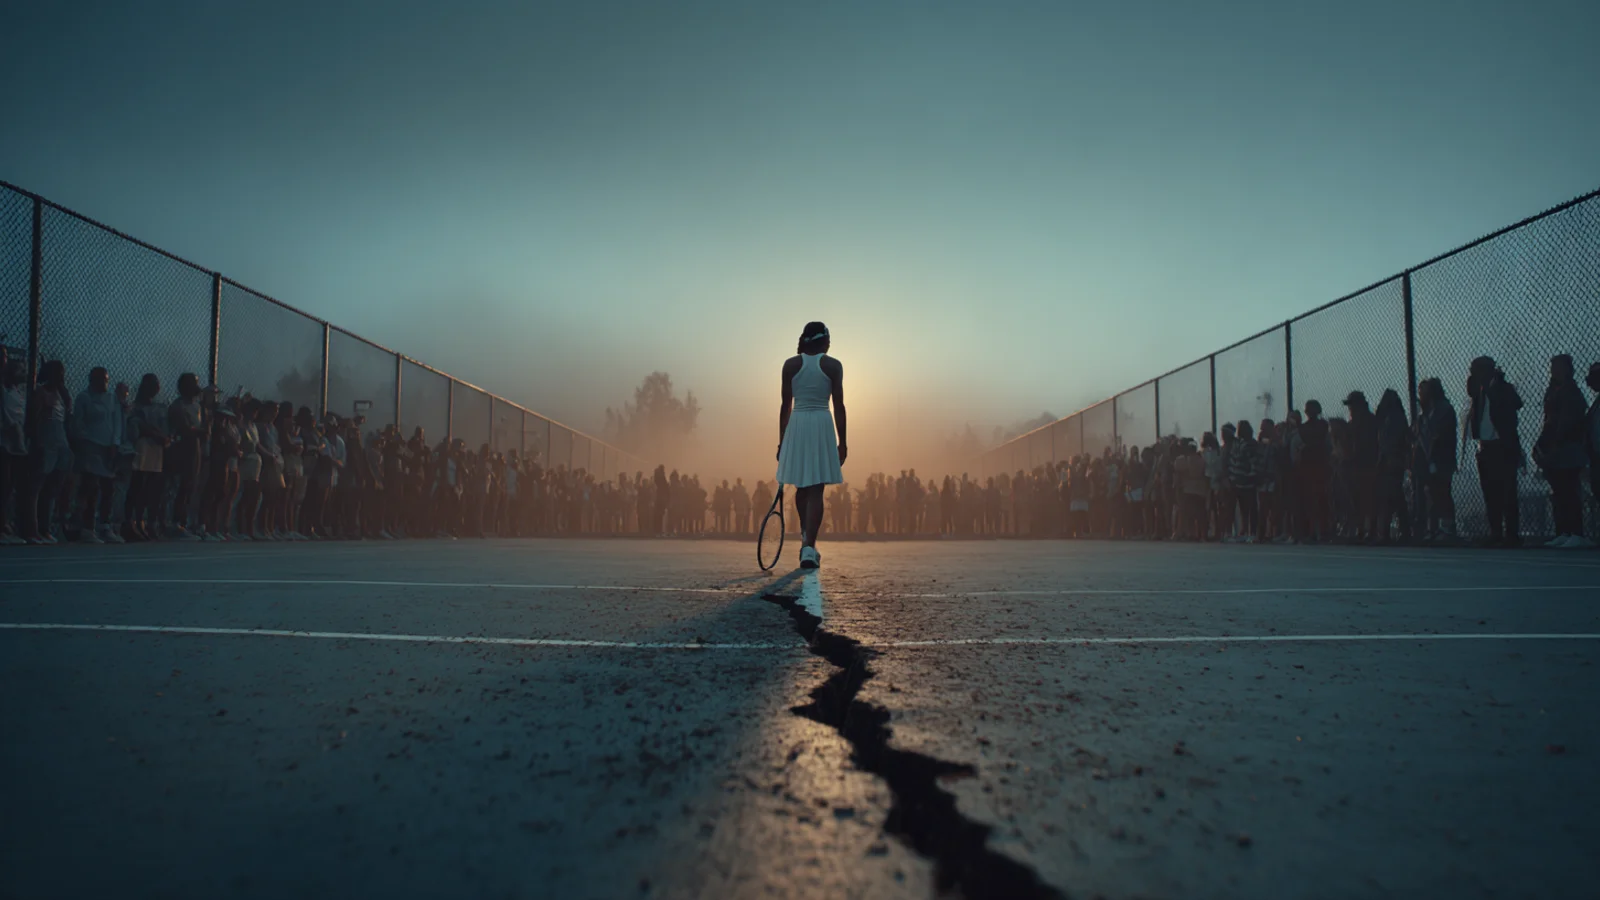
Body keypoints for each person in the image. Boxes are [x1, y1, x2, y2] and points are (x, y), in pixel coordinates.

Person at [776, 321, 847, 569]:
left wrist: (782, 441)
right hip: (821, 423)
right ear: (823, 340)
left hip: (797, 425)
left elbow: (785, 407)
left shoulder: (790, 365)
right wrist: (843, 442)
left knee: (802, 487)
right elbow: (839, 405)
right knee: (816, 490)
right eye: (829, 339)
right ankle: (808, 545)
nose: (830, 344)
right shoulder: (833, 365)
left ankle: (807, 540)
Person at [1465, 356, 1524, 547]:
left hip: (1503, 445)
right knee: (1490, 492)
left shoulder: (1503, 389)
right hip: (1486, 446)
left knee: (1507, 491)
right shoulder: (1479, 392)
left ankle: (1512, 534)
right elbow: (1471, 394)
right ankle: (1496, 532)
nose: (1473, 375)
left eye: (1476, 371)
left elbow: (1517, 403)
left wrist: (1495, 387)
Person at [1534, 354, 1590, 548]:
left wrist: (1556, 439)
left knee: (1569, 490)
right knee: (1558, 491)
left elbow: (1569, 420)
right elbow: (1549, 420)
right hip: (1555, 448)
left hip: (1568, 447)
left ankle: (1576, 532)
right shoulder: (1553, 390)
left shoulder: (1571, 392)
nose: (1553, 371)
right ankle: (1564, 531)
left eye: (1557, 367)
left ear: (1567, 369)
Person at [1415, 378, 1459, 543]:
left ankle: (1447, 528)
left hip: (1441, 458)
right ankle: (1433, 528)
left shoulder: (1444, 410)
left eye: (1423, 392)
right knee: (1431, 493)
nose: (1420, 396)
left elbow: (1439, 435)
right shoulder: (1427, 413)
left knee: (1442, 492)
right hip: (1429, 459)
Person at [0, 351, 29, 544]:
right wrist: (11, 428)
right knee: (3, 483)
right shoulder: (2, 390)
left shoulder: (18, 392)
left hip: (16, 444)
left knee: (9, 486)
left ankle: (6, 524)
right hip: (4, 440)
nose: (23, 374)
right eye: (19, 371)